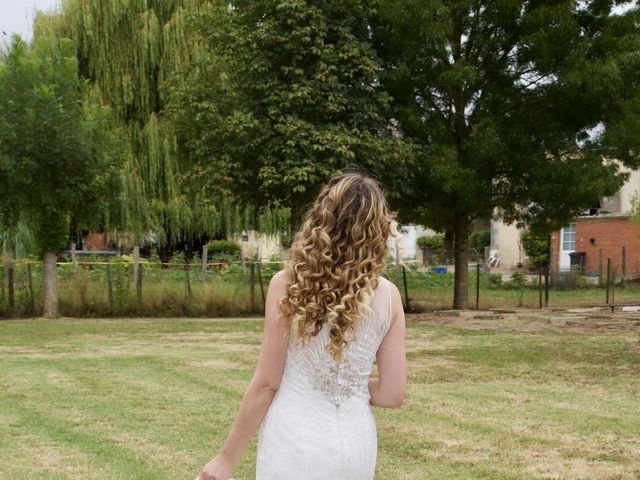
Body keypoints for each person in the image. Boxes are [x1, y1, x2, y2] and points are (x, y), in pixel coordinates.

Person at [198, 173, 407, 480]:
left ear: (322, 220)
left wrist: (226, 458)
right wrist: (345, 385)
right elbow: (392, 393)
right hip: (356, 445)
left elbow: (267, 383)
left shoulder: (287, 285)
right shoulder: (389, 296)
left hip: (295, 440)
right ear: (378, 229)